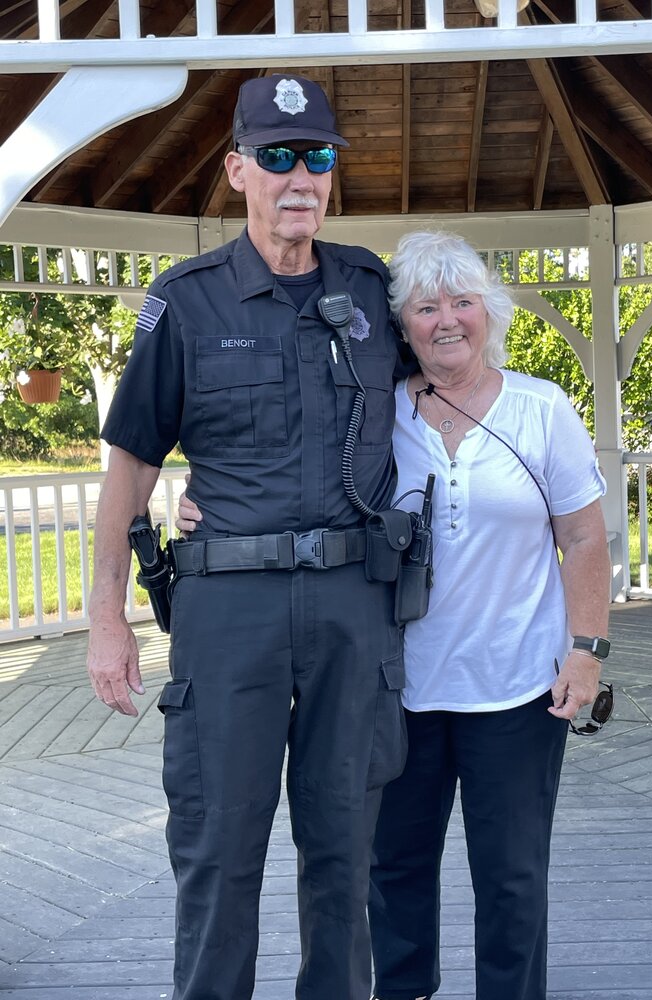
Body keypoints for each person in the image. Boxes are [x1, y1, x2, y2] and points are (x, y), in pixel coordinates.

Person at [178, 230, 612, 1000]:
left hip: (517, 686)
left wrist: (586, 650)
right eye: (425, 307)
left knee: (512, 877)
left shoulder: (541, 409)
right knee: (394, 870)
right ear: (399, 326)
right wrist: (210, 504)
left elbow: (582, 539)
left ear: (489, 312)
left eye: (462, 302)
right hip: (399, 686)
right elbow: (293, 469)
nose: (447, 320)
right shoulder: (376, 415)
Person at [86, 74, 409, 1000]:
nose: (300, 176)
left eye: (318, 157)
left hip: (353, 605)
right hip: (229, 611)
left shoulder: (372, 290)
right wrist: (106, 618)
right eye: (277, 156)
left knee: (344, 848)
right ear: (237, 171)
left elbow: (447, 381)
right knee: (219, 847)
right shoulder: (186, 303)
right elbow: (132, 462)